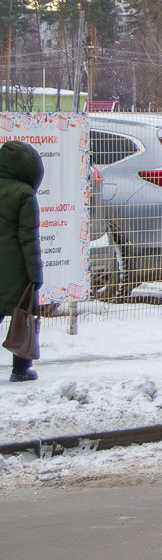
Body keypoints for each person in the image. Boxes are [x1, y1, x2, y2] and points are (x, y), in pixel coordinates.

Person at [0, 139, 43, 382]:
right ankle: (21, 368)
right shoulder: (25, 194)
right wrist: (35, 277)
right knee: (23, 316)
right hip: (16, 270)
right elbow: (29, 240)